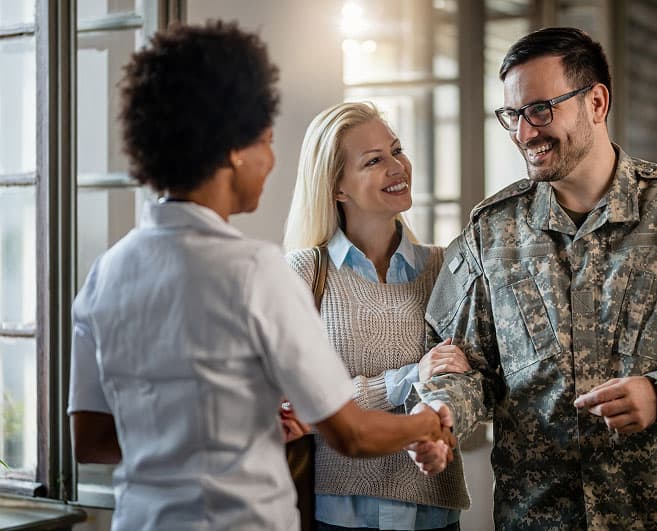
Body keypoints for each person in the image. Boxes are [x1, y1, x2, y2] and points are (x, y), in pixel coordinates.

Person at [66, 22, 454, 531]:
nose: (271, 162)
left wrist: (228, 430)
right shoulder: (256, 271)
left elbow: (91, 442)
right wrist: (429, 423)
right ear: (234, 148)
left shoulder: (105, 273)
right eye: (266, 141)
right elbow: (351, 434)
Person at [410, 26, 657, 529]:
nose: (524, 132)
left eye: (540, 110)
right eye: (512, 115)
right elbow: (466, 363)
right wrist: (444, 413)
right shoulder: (490, 231)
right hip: (539, 517)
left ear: (596, 102)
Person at [283, 101, 471, 531]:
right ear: (337, 188)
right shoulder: (303, 272)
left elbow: (468, 385)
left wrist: (444, 407)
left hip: (435, 512)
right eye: (373, 160)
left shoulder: (447, 268)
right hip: (338, 515)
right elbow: (296, 406)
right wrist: (407, 377)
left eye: (396, 150)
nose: (397, 166)